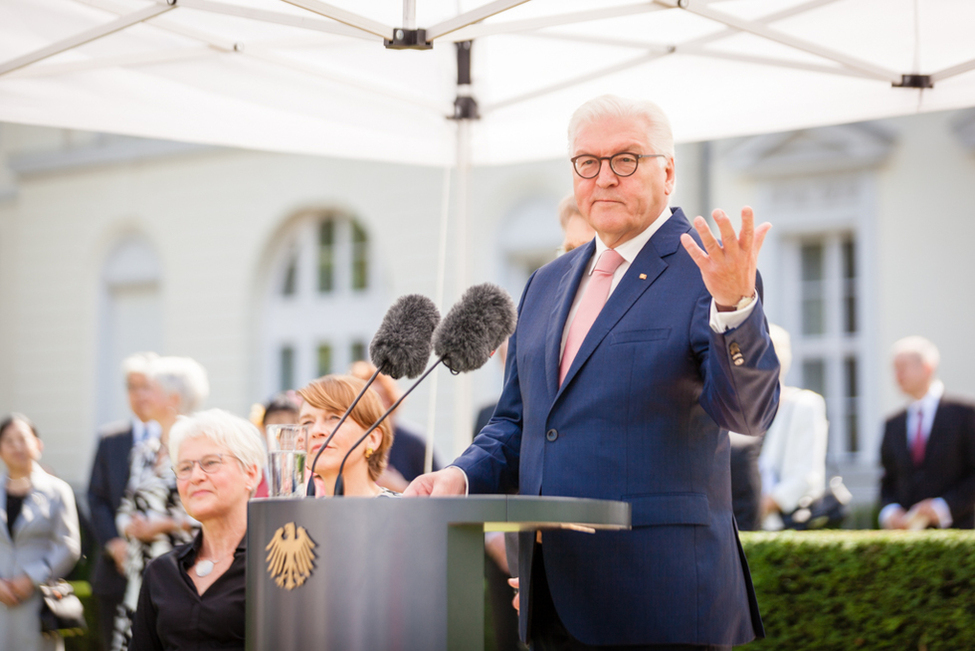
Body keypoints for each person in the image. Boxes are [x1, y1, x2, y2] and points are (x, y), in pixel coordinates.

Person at [406, 95, 780, 650]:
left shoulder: (712, 270)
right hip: (552, 595)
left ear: (668, 171)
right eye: (587, 162)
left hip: (663, 602)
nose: (604, 177)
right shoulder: (546, 283)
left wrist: (735, 309)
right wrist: (459, 477)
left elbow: (748, 412)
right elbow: (519, 423)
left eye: (625, 159)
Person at [128, 409, 264, 651]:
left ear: (251, 474)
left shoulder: (273, 567)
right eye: (184, 468)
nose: (196, 476)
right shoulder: (160, 572)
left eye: (211, 463)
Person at [112, 356, 209, 651]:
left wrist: (164, 523)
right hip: (138, 574)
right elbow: (125, 507)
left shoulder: (201, 448)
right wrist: (130, 526)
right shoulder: (143, 451)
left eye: (149, 389)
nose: (141, 396)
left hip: (180, 573)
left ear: (174, 398)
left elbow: (213, 512)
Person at [87, 352, 162, 650]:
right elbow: (96, 498)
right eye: (132, 387)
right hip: (115, 572)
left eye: (146, 386)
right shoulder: (110, 439)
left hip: (161, 570)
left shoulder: (178, 437)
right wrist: (114, 544)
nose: (139, 394)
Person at [0, 414, 81, 651]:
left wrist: (32, 577)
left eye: (22, 439)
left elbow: (69, 546)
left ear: (38, 444)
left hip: (37, 602)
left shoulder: (58, 491)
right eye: (8, 440)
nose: (16, 446)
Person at [879, 336, 975, 530]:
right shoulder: (893, 424)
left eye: (903, 368)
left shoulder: (966, 414)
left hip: (959, 535)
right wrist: (890, 511)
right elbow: (887, 480)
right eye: (895, 369)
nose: (897, 376)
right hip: (908, 542)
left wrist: (943, 507)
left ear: (927, 367)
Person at [757, 324, 828, 530]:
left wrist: (759, 506)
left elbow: (806, 476)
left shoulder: (805, 405)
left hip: (783, 525)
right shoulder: (732, 407)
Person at [298, 375, 398, 497]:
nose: (316, 430)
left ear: (372, 439)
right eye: (307, 422)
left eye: (334, 418)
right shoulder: (298, 515)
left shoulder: (405, 512)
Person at [349, 362, 440, 491]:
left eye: (379, 399)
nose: (373, 408)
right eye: (364, 401)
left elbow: (441, 495)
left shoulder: (414, 442)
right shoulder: (347, 444)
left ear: (391, 401)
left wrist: (401, 487)